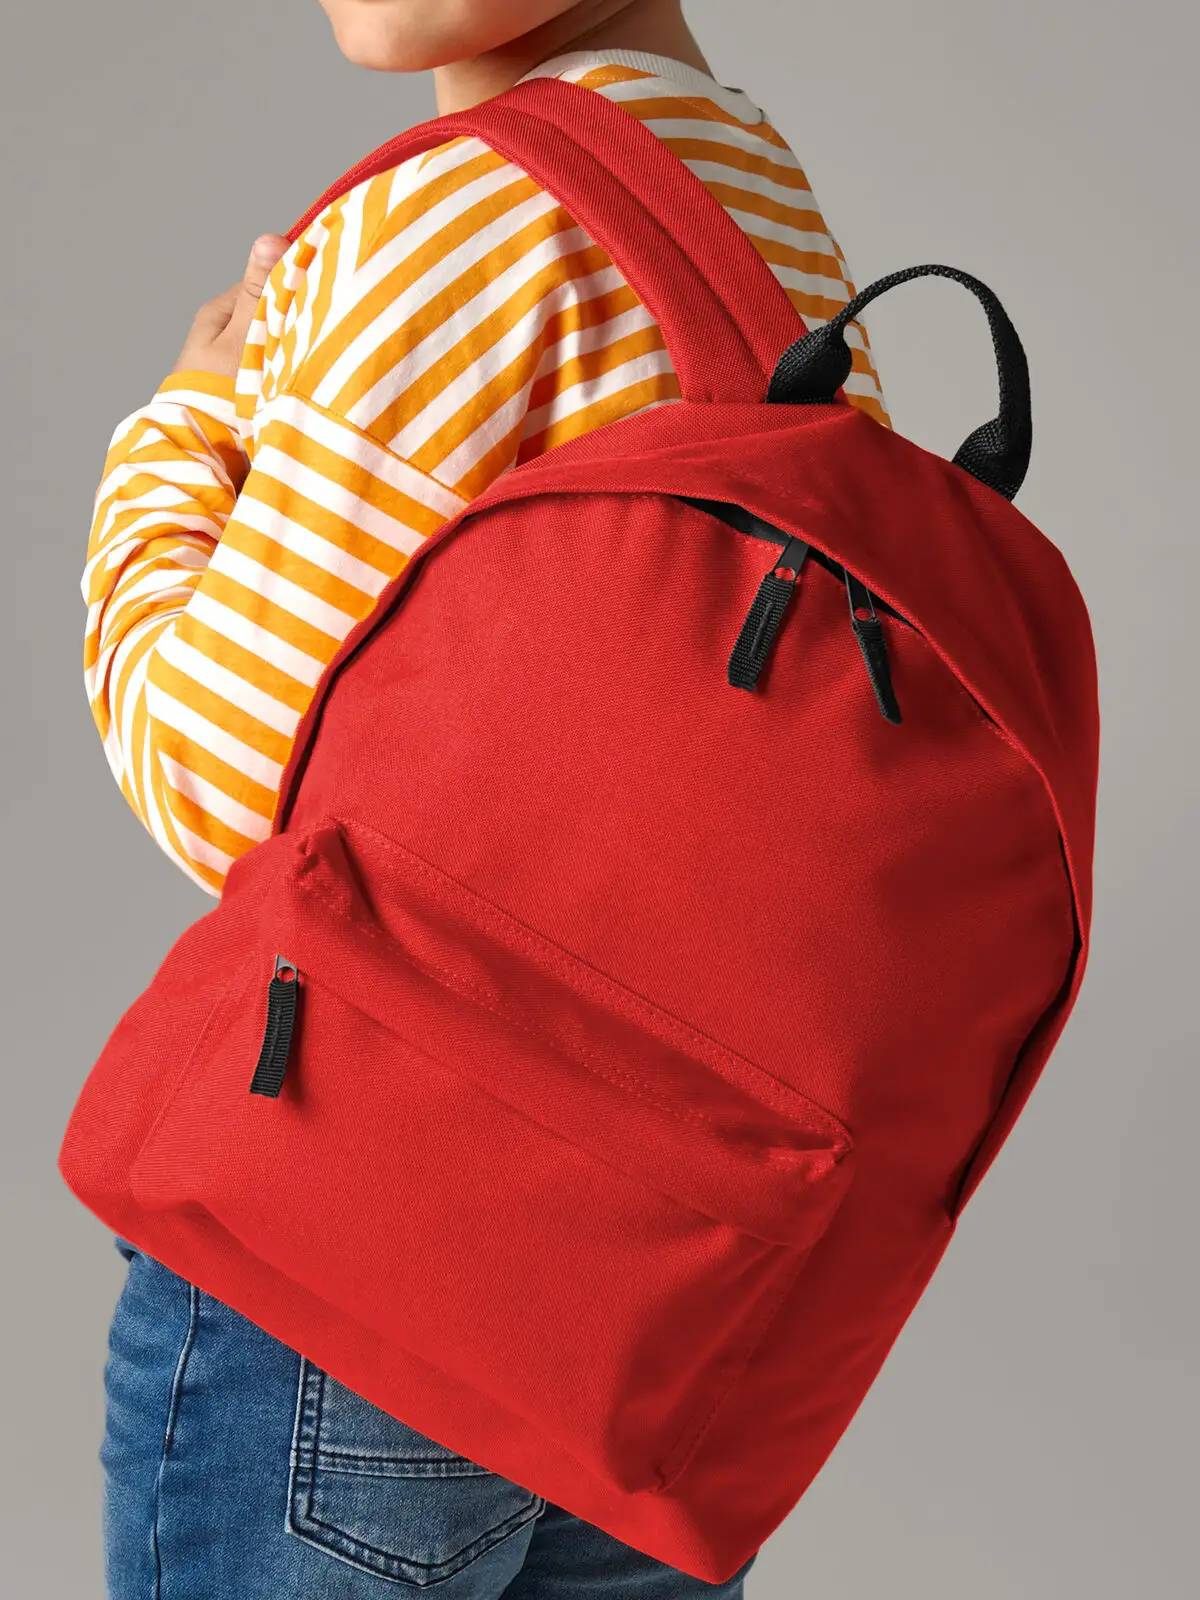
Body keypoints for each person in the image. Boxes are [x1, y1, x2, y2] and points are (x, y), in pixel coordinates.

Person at [87, 3, 888, 1594]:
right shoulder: (759, 198)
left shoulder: (461, 217)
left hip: (351, 1271)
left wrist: (174, 435)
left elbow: (221, 783)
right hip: (646, 1312)